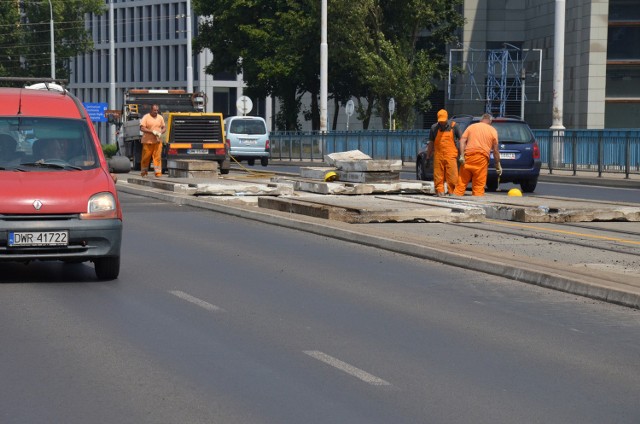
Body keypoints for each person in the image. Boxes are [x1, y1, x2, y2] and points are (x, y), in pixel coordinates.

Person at [452, 113, 502, 196]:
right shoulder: (493, 130)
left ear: (481, 120)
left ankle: (454, 201)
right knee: (478, 186)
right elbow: (496, 150)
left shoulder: (471, 127)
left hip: (468, 157)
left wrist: (462, 155)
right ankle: (476, 204)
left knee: (461, 184)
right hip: (481, 159)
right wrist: (497, 164)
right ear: (490, 121)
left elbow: (462, 141)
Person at [426, 109, 461, 196]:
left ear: (447, 118)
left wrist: (462, 155)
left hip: (451, 155)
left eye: (444, 121)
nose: (442, 123)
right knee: (438, 176)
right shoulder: (434, 128)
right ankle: (439, 192)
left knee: (452, 176)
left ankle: (452, 193)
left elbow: (461, 141)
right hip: (438, 155)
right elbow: (431, 143)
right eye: (440, 121)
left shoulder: (454, 126)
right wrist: (428, 156)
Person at [139, 104, 166, 177]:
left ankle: (158, 173)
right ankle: (144, 172)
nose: (156, 112)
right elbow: (142, 128)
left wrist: (160, 132)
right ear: (151, 110)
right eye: (154, 110)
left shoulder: (160, 117)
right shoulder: (146, 117)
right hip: (148, 142)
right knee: (146, 158)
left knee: (157, 158)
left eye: (157, 110)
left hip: (157, 141)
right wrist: (152, 132)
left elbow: (164, 128)